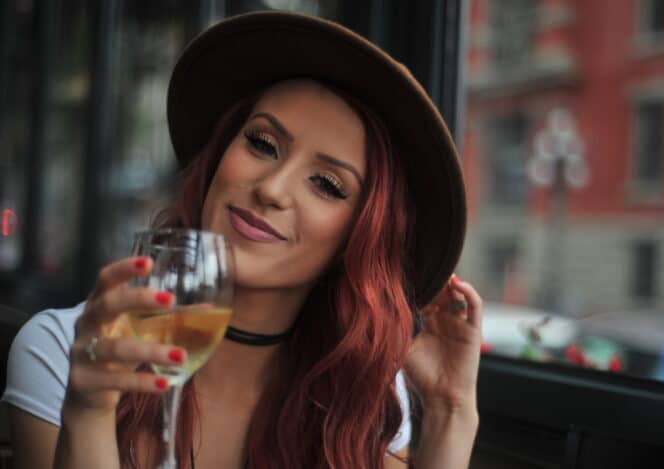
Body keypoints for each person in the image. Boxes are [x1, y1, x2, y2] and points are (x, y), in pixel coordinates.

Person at [3, 11, 482, 469]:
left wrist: (450, 410)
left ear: (360, 236)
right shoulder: (62, 351)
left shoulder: (366, 398)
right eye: (262, 144)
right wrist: (88, 411)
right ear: (218, 157)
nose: (271, 188)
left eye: (327, 185)